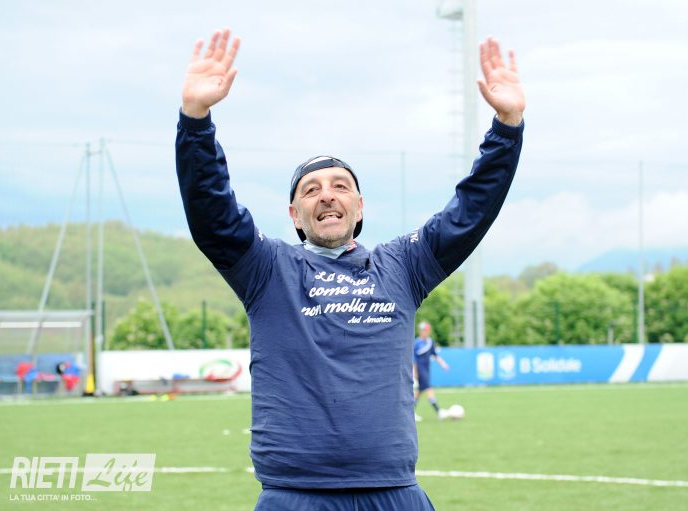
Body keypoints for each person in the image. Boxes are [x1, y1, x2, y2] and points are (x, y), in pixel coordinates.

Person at [175, 28, 525, 511]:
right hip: (295, 496)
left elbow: (470, 211)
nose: (327, 195)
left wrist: (507, 127)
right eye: (311, 189)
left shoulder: (403, 265)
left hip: (394, 492)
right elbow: (212, 213)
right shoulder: (267, 270)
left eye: (340, 186)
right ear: (295, 216)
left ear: (359, 207)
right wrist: (195, 120)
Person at [413, 321, 450, 422]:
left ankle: (410, 413)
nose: (423, 332)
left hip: (426, 369)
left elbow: (435, 355)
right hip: (420, 370)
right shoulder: (416, 343)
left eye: (425, 330)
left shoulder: (430, 342)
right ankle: (439, 411)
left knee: (419, 392)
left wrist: (443, 364)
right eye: (422, 330)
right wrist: (415, 372)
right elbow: (414, 360)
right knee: (429, 389)